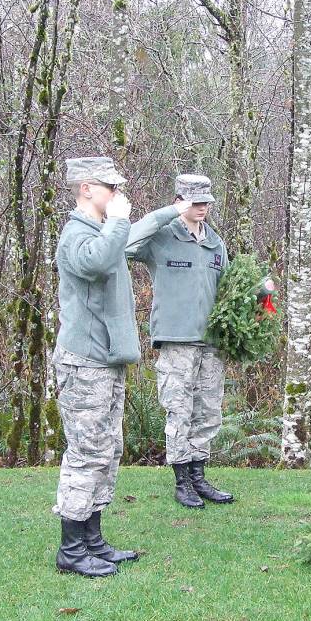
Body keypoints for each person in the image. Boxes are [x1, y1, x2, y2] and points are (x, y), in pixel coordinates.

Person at [50, 156, 141, 577]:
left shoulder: (99, 231)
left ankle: (93, 540)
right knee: (86, 453)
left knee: (107, 451)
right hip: (84, 362)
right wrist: (119, 222)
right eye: (111, 188)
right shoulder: (76, 234)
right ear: (87, 188)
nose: (118, 196)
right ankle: (71, 549)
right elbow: (96, 263)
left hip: (106, 360)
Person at [126, 174, 234, 508]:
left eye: (205, 202)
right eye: (193, 202)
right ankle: (181, 480)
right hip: (176, 340)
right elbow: (128, 245)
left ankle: (199, 477)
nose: (201, 208)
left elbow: (228, 289)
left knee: (208, 411)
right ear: (179, 201)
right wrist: (166, 213)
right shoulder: (161, 237)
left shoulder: (215, 242)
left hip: (210, 343)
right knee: (179, 410)